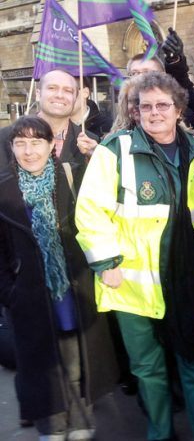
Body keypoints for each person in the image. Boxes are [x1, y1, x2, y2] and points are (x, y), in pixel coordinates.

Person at [75, 72, 194, 441]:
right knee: (148, 369)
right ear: (136, 110)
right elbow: (90, 210)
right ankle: (159, 434)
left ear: (178, 110)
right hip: (133, 283)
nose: (155, 112)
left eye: (163, 105)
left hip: (192, 281)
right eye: (146, 106)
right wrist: (106, 262)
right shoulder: (116, 150)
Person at [0, 116, 117, 441]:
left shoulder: (71, 179)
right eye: (20, 142)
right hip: (29, 292)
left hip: (71, 286)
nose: (29, 150)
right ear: (11, 147)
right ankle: (52, 423)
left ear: (51, 145)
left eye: (36, 141)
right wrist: (10, 292)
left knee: (74, 354)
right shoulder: (4, 189)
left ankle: (80, 416)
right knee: (40, 362)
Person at [0, 69, 98, 174]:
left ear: (75, 98)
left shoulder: (89, 142)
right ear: (38, 94)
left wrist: (96, 159)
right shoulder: (5, 137)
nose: (60, 95)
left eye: (68, 90)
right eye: (52, 88)